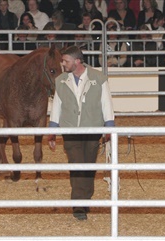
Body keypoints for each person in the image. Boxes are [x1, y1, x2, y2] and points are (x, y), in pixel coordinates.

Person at [47, 45, 115, 221]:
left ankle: (85, 199)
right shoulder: (61, 81)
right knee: (77, 164)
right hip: (70, 129)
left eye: (66, 61)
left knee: (89, 166)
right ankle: (78, 204)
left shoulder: (98, 78)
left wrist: (109, 127)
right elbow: (57, 105)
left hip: (93, 128)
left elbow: (106, 103)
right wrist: (52, 130)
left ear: (77, 61)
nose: (63, 64)